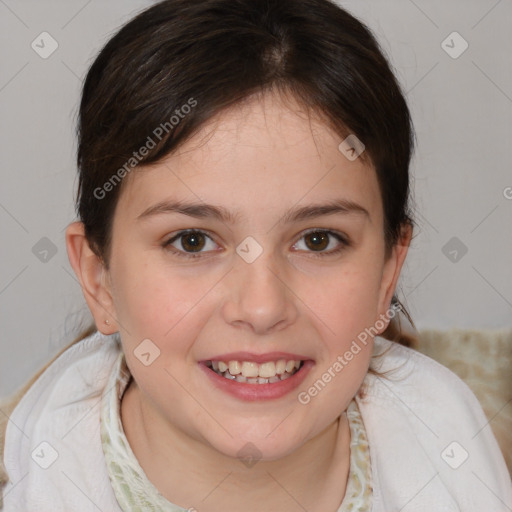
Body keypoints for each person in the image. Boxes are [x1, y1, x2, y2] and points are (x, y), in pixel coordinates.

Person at [1, 0, 511, 510]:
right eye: (192, 241)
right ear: (99, 280)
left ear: (386, 274)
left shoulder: (470, 470)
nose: (262, 308)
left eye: (318, 240)